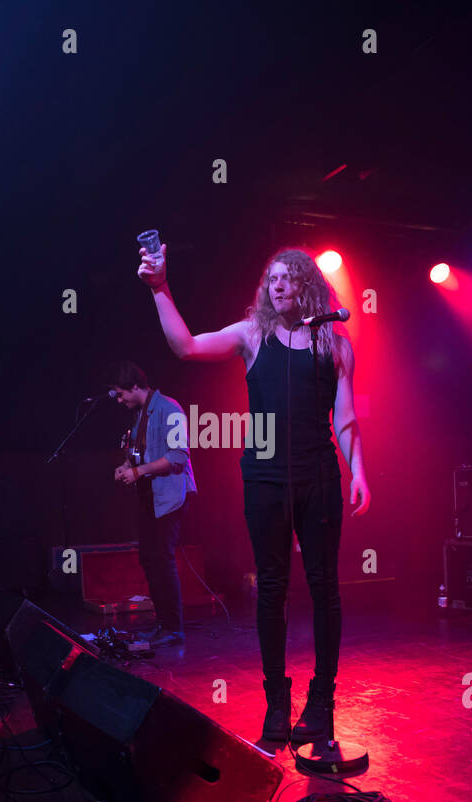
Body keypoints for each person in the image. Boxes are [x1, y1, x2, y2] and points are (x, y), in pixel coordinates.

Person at [137, 244, 370, 746]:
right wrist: (160, 288)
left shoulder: (334, 340)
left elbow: (346, 420)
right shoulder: (253, 335)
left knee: (325, 587)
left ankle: (322, 702)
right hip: (264, 480)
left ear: (306, 284)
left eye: (287, 278)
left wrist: (359, 472)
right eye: (271, 279)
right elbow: (187, 347)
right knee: (272, 587)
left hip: (320, 477)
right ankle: (277, 703)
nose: (277, 285)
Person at [107, 360, 197, 647]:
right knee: (149, 558)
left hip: (170, 496)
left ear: (136, 387)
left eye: (122, 394)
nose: (120, 400)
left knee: (162, 559)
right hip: (150, 497)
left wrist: (138, 472)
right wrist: (126, 466)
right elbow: (137, 455)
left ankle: (174, 628)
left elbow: (178, 457)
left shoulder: (170, 409)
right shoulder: (139, 416)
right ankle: (163, 623)